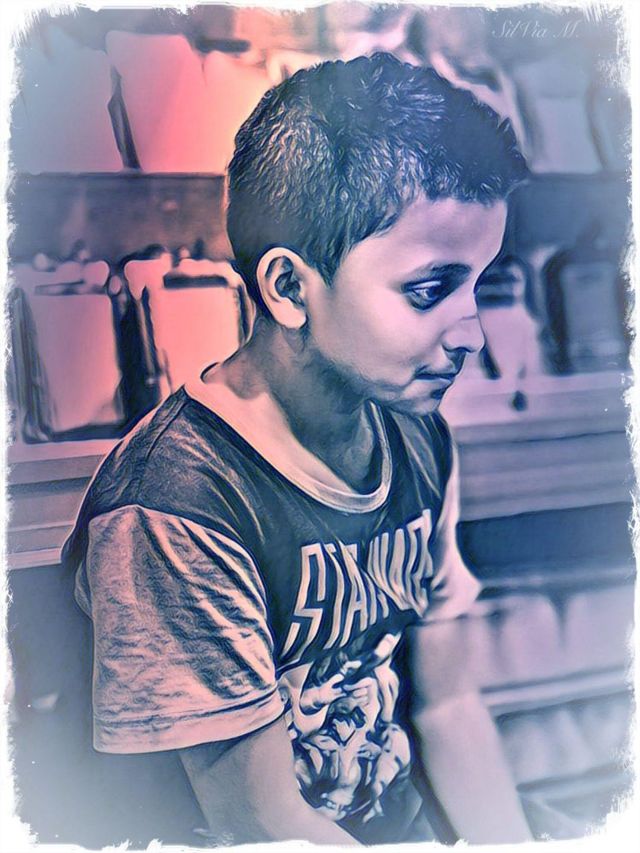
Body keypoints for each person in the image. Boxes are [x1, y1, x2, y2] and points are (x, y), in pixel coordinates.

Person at [63, 52, 533, 845]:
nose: (472, 334)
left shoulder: (417, 437)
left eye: (478, 285)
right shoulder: (178, 503)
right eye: (429, 290)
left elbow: (450, 705)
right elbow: (262, 822)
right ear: (287, 288)